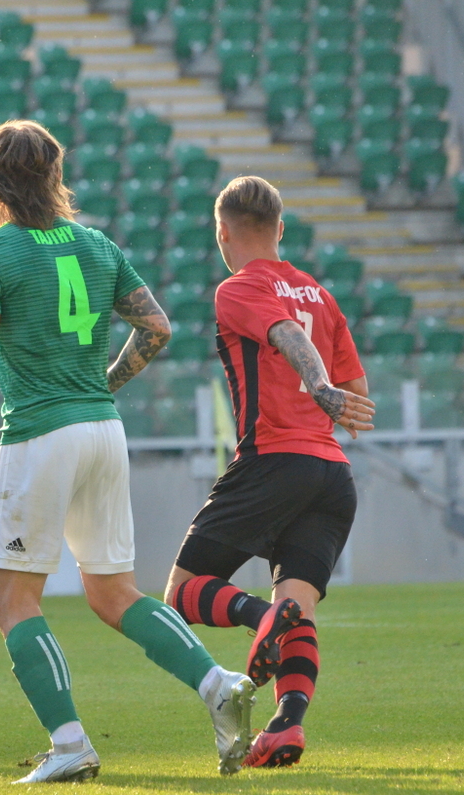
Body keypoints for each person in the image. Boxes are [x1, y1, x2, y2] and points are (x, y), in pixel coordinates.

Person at [0, 120, 257, 783]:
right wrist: (101, 386)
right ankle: (218, 683)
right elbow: (156, 326)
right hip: (103, 429)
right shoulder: (97, 245)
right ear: (54, 176)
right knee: (113, 591)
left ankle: (70, 741)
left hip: (41, 433)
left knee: (12, 599)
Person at [162, 176, 375, 769]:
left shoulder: (237, 288)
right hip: (332, 473)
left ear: (222, 232)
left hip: (271, 461)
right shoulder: (321, 295)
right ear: (281, 230)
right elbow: (359, 393)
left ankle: (260, 618)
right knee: (300, 607)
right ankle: (285, 727)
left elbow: (282, 334)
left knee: (179, 595)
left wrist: (316, 385)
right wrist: (330, 393)